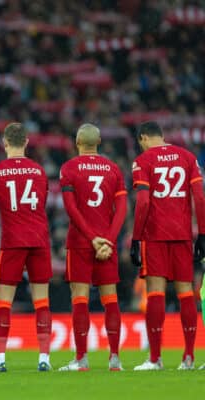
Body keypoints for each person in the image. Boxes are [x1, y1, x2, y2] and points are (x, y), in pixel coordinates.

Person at [130, 121, 205, 371]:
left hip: (154, 235)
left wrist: (135, 237)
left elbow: (142, 203)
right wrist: (202, 234)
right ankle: (189, 357)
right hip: (182, 235)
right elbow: (200, 197)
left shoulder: (144, 160)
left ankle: (155, 359)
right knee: (186, 293)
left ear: (143, 138)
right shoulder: (188, 157)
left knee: (155, 292)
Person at [0, 122, 52, 372]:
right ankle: (44, 358)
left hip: (12, 242)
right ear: (27, 142)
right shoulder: (40, 171)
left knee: (3, 302)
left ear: (4, 143)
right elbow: (42, 201)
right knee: (41, 302)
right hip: (39, 240)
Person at [57, 124, 127, 371]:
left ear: (77, 142)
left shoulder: (68, 169)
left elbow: (71, 209)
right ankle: (115, 358)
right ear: (99, 142)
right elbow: (122, 210)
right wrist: (108, 239)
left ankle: (82, 359)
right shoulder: (114, 169)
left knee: (80, 299)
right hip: (107, 244)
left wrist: (91, 239)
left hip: (80, 243)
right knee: (111, 300)